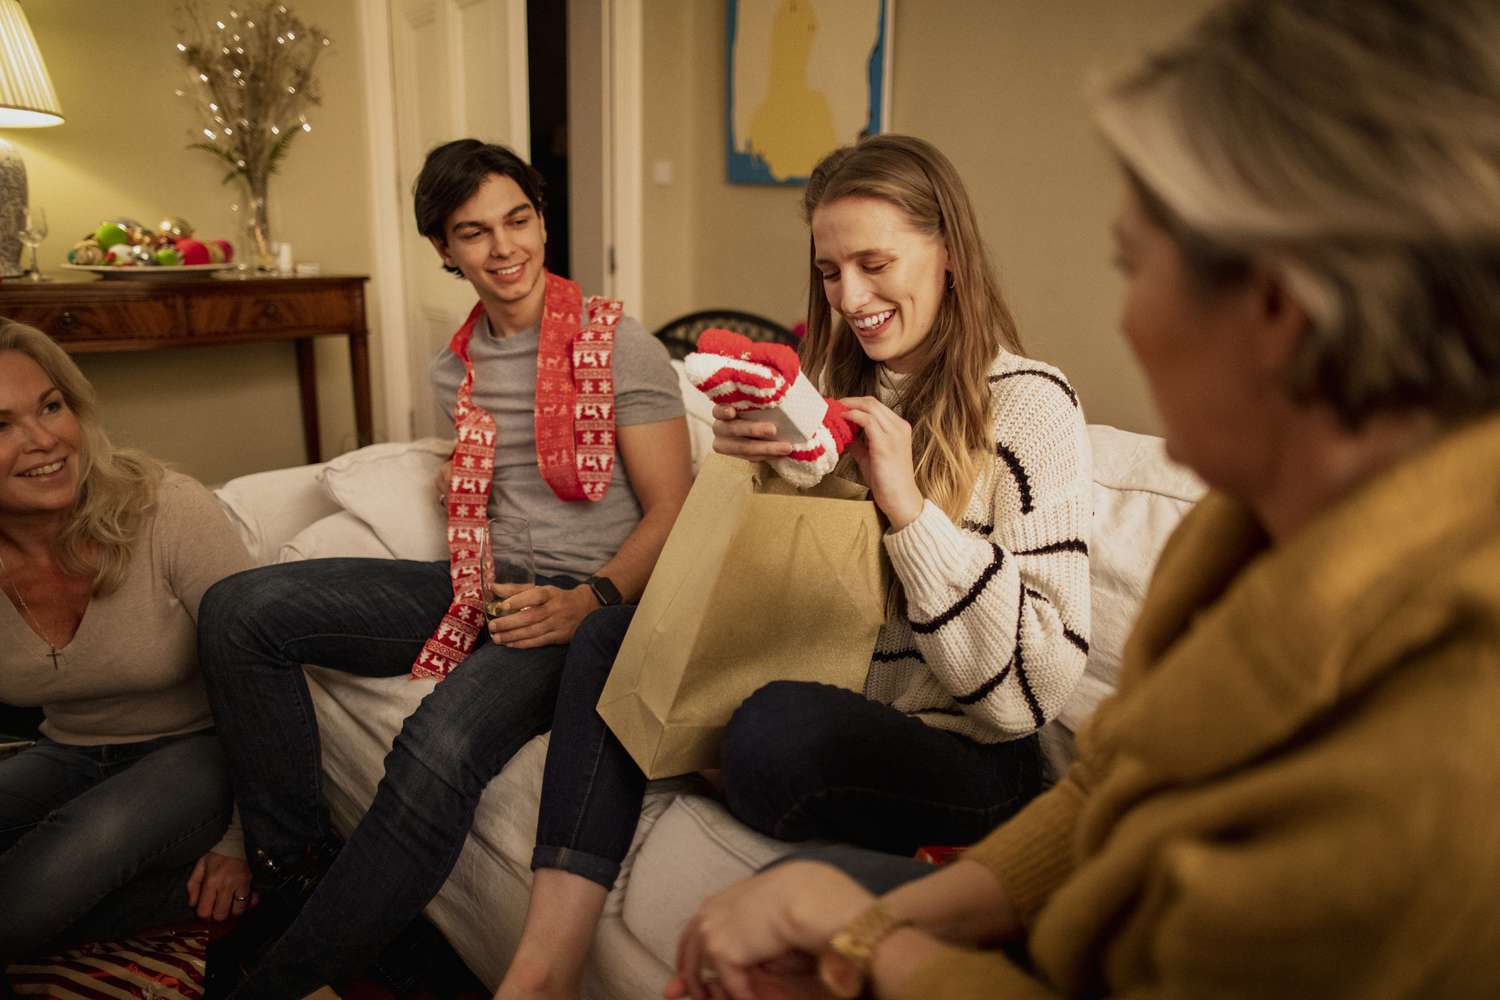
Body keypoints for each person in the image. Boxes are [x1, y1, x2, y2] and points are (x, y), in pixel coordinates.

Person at [668, 2, 1500, 997]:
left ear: (1278, 305)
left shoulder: (1441, 751)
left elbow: (1034, 714)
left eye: (1133, 267)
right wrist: (884, 919)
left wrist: (866, 940)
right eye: (830, 273)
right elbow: (1114, 781)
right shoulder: (1239, 532)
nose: (1126, 319)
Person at [495, 133, 1092, 999]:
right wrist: (752, 468)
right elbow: (776, 590)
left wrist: (909, 510)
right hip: (838, 699)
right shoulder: (830, 392)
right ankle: (543, 968)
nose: (850, 298)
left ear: (950, 254)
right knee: (608, 642)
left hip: (969, 754)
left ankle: (717, 759)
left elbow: (1029, 694)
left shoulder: (1034, 405)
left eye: (874, 264)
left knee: (773, 731)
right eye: (830, 272)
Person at [197, 139, 693, 999]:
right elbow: (501, 482)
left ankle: (282, 982)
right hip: (479, 585)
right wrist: (463, 474)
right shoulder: (455, 364)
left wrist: (589, 600)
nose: (505, 249)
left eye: (518, 220)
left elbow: (676, 510)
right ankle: (296, 868)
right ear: (443, 248)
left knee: (437, 744)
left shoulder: (620, 345)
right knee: (238, 610)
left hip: (585, 608)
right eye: (474, 232)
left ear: (542, 221)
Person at [0, 322, 254, 967]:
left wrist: (242, 843)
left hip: (203, 752)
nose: (44, 440)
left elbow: (268, 685)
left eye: (50, 406)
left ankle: (279, 879)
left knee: (17, 905)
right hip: (66, 751)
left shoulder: (168, 508)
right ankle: (152, 896)